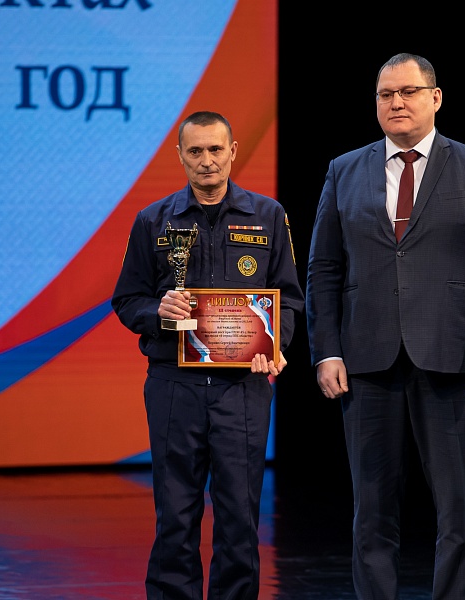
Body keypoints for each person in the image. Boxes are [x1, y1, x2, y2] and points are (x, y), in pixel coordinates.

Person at [306, 53, 465, 599]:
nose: (396, 103)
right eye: (386, 94)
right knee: (371, 511)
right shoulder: (344, 170)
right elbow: (323, 268)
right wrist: (326, 351)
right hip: (366, 361)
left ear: (436, 97)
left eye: (407, 92)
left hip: (454, 360)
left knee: (460, 510)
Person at [111, 110, 304, 600]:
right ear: (179, 155)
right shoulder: (152, 220)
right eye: (195, 151)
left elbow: (289, 298)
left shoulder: (268, 215)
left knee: (239, 517)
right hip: (174, 385)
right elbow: (127, 299)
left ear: (233, 151)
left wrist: (274, 345)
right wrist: (159, 311)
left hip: (243, 387)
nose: (206, 160)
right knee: (175, 516)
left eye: (215, 149)